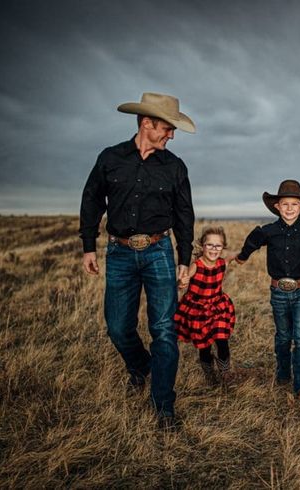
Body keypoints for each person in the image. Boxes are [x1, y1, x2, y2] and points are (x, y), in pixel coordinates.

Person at [79, 92, 196, 430]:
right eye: (167, 128)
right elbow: (91, 201)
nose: (171, 135)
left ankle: (164, 407)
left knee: (163, 330)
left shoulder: (174, 166)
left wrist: (184, 258)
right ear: (147, 124)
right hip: (118, 253)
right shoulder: (110, 158)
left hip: (159, 251)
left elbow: (185, 215)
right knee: (118, 327)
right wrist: (89, 245)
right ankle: (141, 366)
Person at [230, 180, 300, 401]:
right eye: (285, 204)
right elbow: (253, 240)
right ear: (277, 206)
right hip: (278, 292)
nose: (289, 208)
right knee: (283, 336)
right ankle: (283, 372)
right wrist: (242, 256)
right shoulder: (269, 231)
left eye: (294, 204)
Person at [174, 226, 236, 386]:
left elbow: (233, 256)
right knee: (205, 345)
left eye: (218, 246)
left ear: (223, 248)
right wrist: (182, 282)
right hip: (198, 310)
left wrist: (245, 253)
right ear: (202, 246)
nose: (214, 249)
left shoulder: (223, 263)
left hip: (217, 306)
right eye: (210, 245)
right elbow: (184, 279)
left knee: (222, 339)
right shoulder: (197, 265)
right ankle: (209, 374)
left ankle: (225, 372)